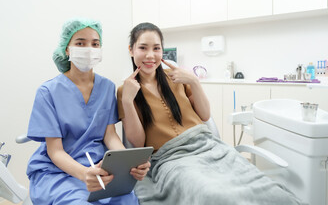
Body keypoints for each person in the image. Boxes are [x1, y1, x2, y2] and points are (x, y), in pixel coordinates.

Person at [117, 22, 302, 205]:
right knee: (214, 195)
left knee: (272, 193)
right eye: (143, 48)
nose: (150, 55)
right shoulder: (125, 91)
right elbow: (138, 142)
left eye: (156, 48)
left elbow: (204, 115)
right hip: (171, 158)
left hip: (209, 146)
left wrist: (194, 82)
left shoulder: (178, 76)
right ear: (131, 50)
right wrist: (127, 100)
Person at [26, 18, 150, 205]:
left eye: (95, 43)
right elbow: (55, 151)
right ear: (67, 49)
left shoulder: (107, 87)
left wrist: (127, 162)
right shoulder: (48, 92)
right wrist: (84, 174)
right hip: (57, 171)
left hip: (98, 166)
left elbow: (110, 135)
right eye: (80, 43)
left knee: (127, 200)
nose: (89, 49)